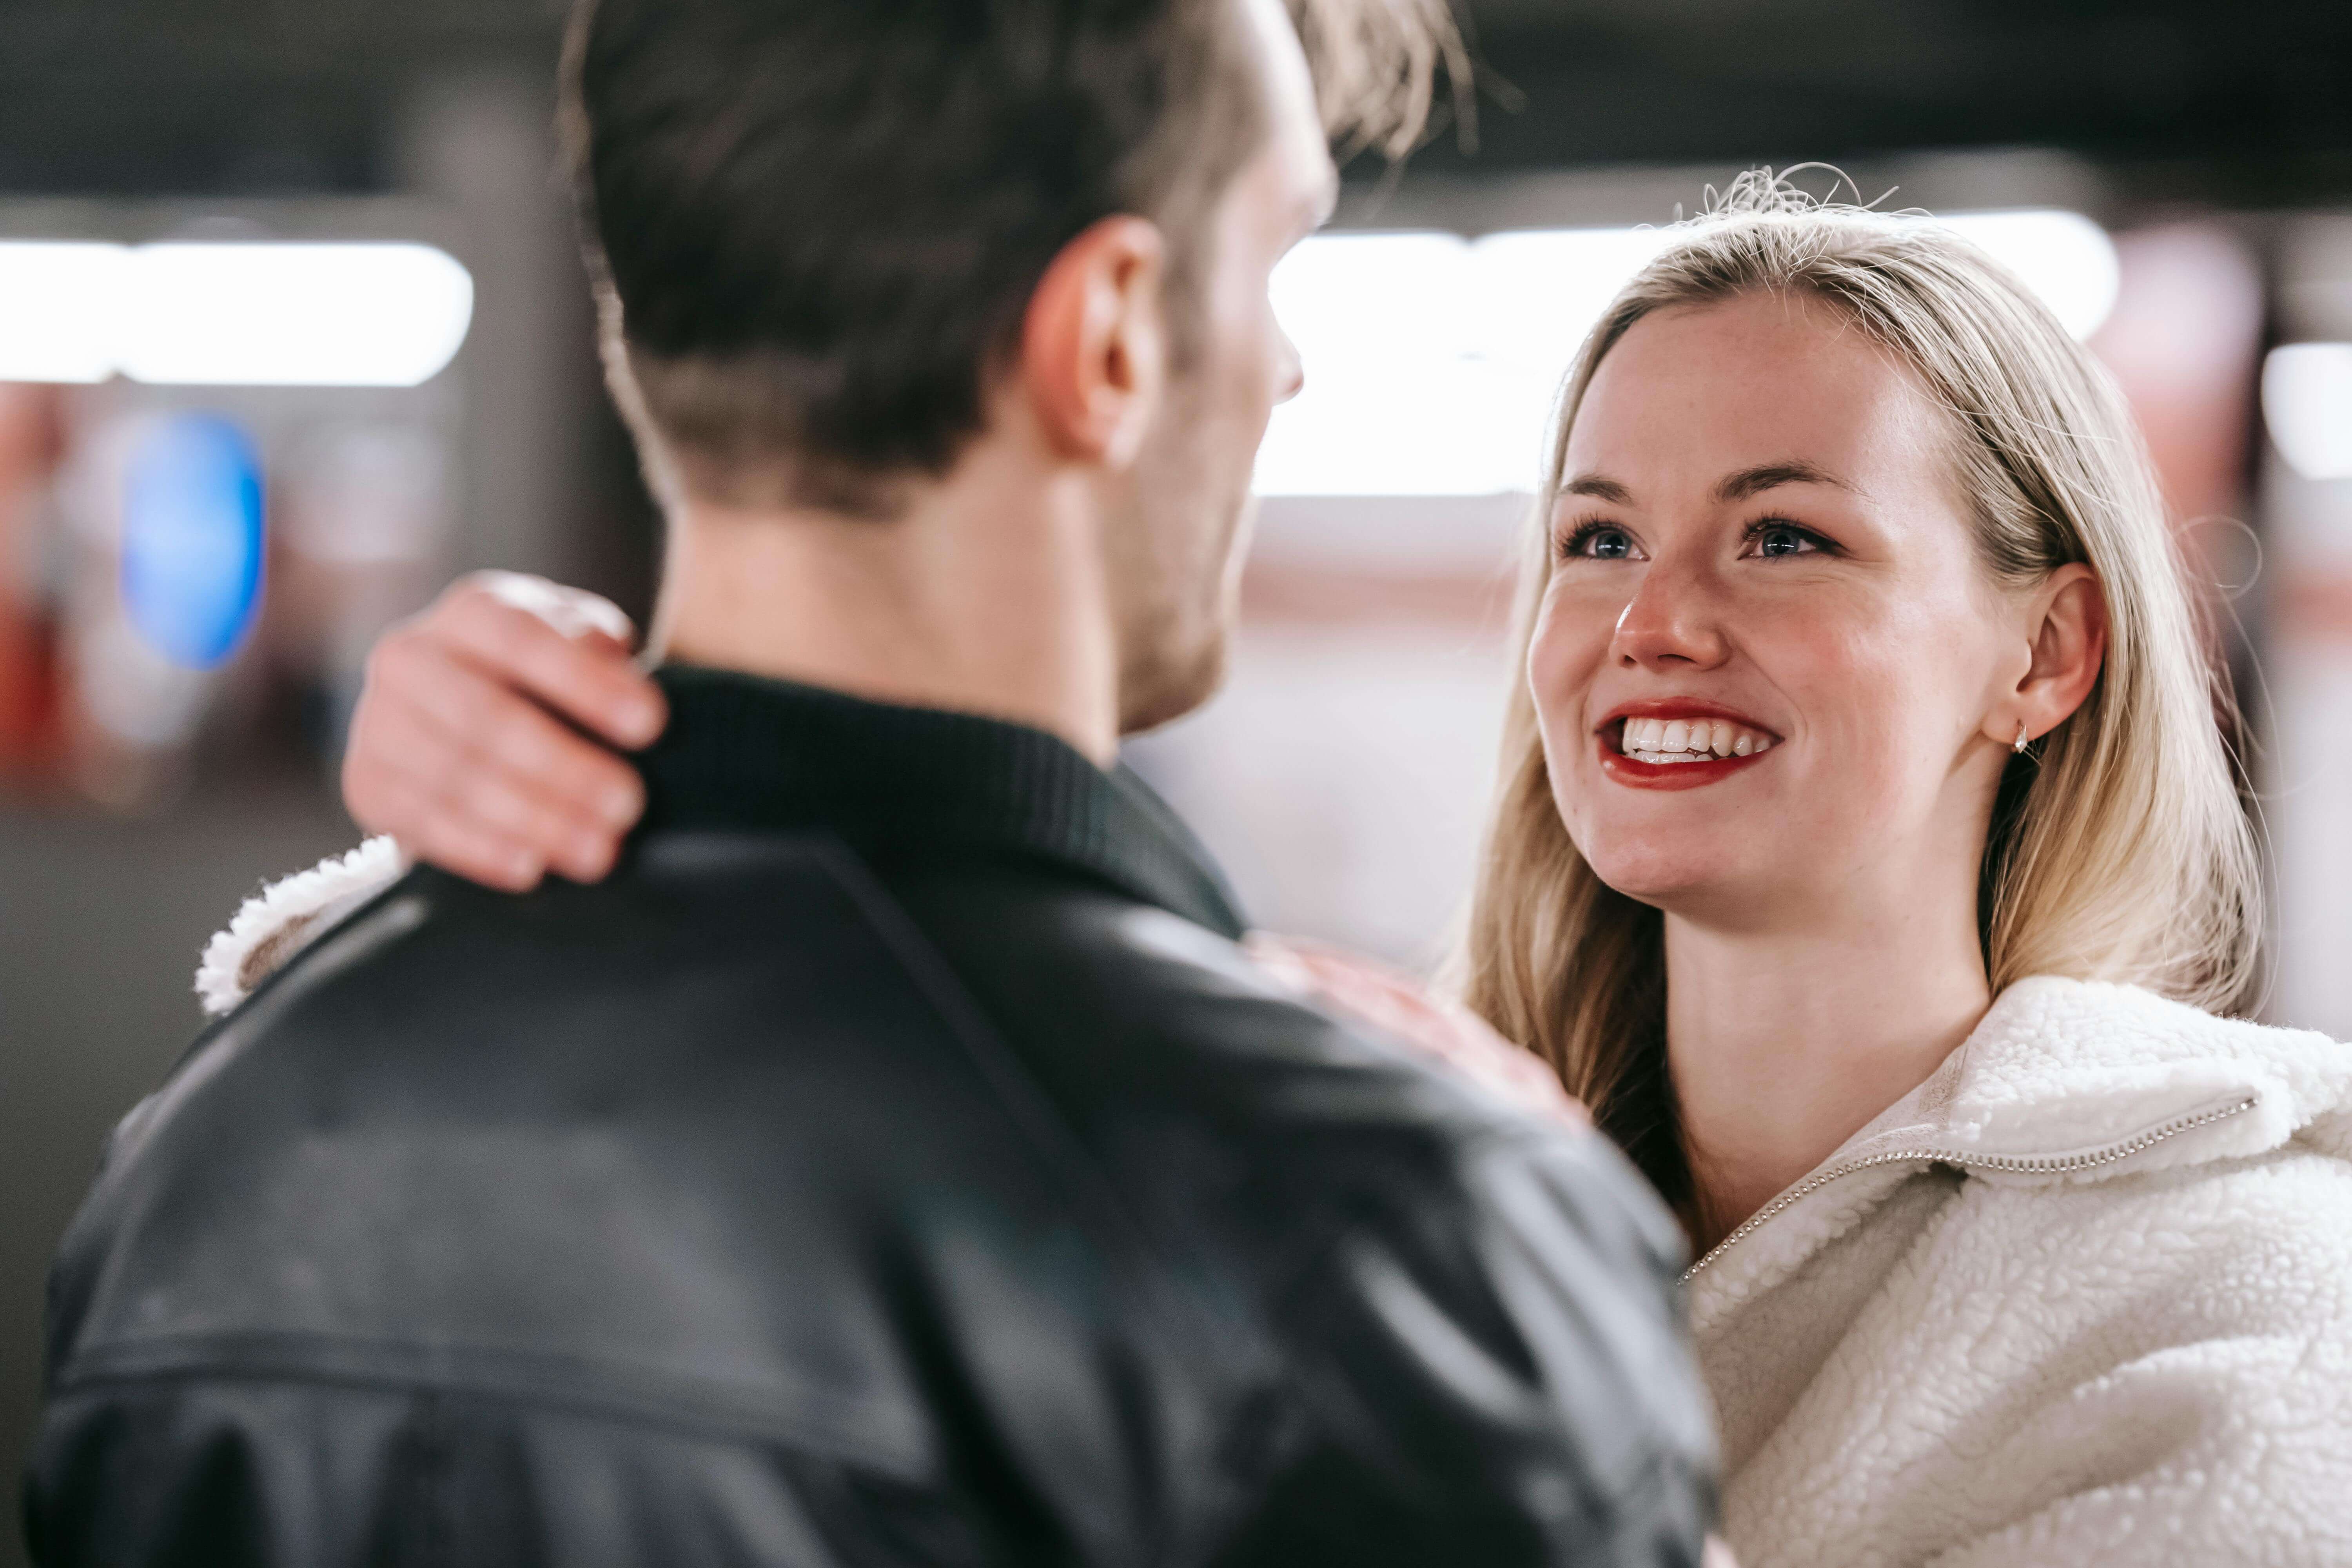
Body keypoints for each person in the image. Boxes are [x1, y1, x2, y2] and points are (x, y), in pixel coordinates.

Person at [265, 174, 2352, 1566]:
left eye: (1786, 535)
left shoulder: (2240, 1295)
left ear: (2047, 648)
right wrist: (538, 814)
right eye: (1599, 536)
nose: (1653, 620)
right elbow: (772, 1123)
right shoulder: (1363, 1156)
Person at [25, 0, 1726, 1563]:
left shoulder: (198, 1160)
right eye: (1273, 254)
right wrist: (1536, 1258)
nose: (1285, 366)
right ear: (1114, 335)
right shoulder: (1376, 1236)